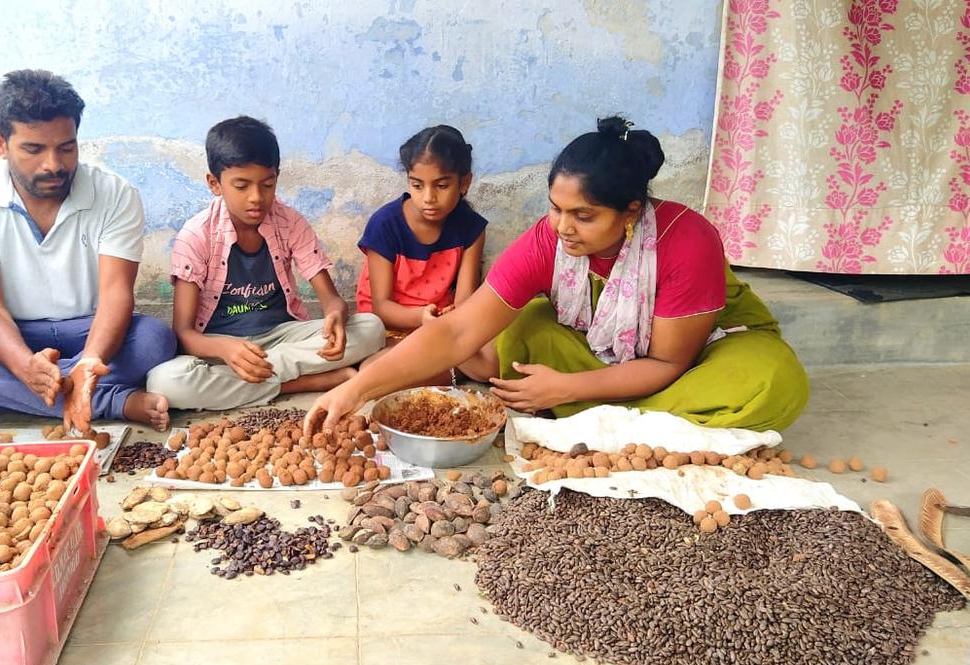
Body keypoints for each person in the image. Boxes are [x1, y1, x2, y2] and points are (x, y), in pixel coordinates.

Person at [306, 116, 809, 435]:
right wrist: (356, 390)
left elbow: (668, 362)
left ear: (630, 212)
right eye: (555, 209)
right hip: (604, 351)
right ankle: (623, 414)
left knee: (769, 381)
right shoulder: (548, 240)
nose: (564, 228)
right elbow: (458, 329)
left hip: (698, 356)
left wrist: (566, 389)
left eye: (584, 216)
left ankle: (594, 410)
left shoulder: (686, 240)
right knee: (520, 331)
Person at [0, 70, 176, 433]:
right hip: (12, 332)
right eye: (33, 149)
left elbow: (115, 295)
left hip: (88, 330)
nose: (54, 164)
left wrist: (89, 363)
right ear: (1, 144)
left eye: (66, 147)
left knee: (155, 340)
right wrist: (24, 367)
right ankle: (115, 401)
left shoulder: (115, 193)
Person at [146, 116, 385, 410]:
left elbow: (332, 300)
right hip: (222, 348)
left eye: (267, 185)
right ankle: (296, 382)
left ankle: (262, 378)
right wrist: (224, 349)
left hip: (282, 337)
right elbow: (184, 334)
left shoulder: (290, 223)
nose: (256, 197)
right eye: (242, 186)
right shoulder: (196, 236)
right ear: (214, 183)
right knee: (164, 382)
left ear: (277, 177)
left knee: (371, 328)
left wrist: (336, 314)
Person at [355, 125, 496, 385]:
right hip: (391, 327)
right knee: (373, 365)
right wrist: (422, 318)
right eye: (417, 186)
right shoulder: (385, 224)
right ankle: (443, 370)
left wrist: (445, 325)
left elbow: (465, 304)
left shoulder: (471, 228)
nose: (428, 198)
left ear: (464, 183)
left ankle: (427, 369)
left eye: (441, 185)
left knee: (490, 365)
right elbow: (381, 307)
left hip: (443, 324)